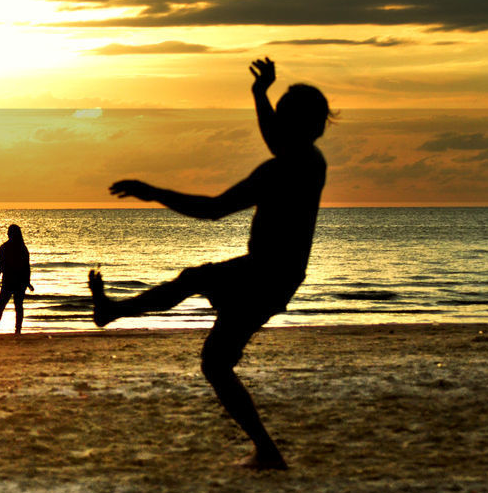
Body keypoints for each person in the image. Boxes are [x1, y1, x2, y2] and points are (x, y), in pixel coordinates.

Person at [89, 58, 331, 470]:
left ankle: (113, 310)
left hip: (266, 275)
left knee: (193, 282)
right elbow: (277, 136)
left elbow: (215, 209)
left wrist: (154, 192)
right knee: (216, 363)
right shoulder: (311, 160)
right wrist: (260, 94)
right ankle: (268, 453)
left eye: (284, 117)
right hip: (278, 276)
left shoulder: (282, 169)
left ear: (298, 126)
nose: (276, 129)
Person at [0, 224, 33, 335]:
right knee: (18, 307)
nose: (7, 234)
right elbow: (27, 267)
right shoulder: (23, 248)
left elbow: (0, 265)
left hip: (8, 281)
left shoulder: (4, 247)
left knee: (0, 307)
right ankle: (17, 330)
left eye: (9, 232)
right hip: (20, 282)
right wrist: (28, 282)